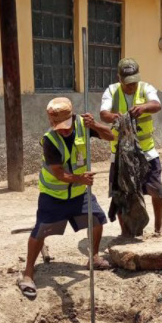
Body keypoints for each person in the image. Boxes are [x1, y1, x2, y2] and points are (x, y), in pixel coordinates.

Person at [18, 97, 114, 298]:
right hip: (53, 195)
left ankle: (93, 257)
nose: (62, 130)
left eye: (64, 126)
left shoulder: (83, 124)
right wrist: (80, 178)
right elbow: (59, 173)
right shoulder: (49, 140)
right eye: (56, 126)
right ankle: (28, 273)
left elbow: (111, 137)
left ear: (72, 117)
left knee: (97, 220)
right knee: (40, 230)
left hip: (80, 194)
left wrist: (95, 124)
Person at [98, 57, 162, 235]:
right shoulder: (111, 91)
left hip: (147, 152)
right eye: (128, 83)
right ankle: (125, 232)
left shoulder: (146, 88)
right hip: (121, 155)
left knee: (156, 190)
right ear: (118, 78)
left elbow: (156, 105)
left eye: (134, 82)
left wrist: (144, 107)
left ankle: (158, 226)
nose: (132, 86)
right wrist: (115, 118)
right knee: (121, 194)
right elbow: (103, 114)